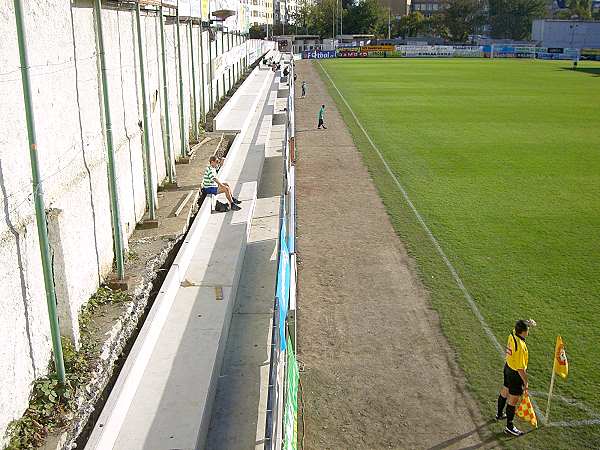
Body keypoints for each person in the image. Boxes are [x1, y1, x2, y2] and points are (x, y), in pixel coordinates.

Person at [496, 319, 535, 436]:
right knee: (513, 401)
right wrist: (526, 382)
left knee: (505, 390)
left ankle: (499, 414)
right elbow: (520, 369)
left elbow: (518, 326)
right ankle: (509, 426)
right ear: (523, 332)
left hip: (508, 367)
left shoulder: (512, 334)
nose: (528, 331)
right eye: (527, 329)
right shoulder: (521, 348)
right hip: (515, 375)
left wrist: (528, 323)